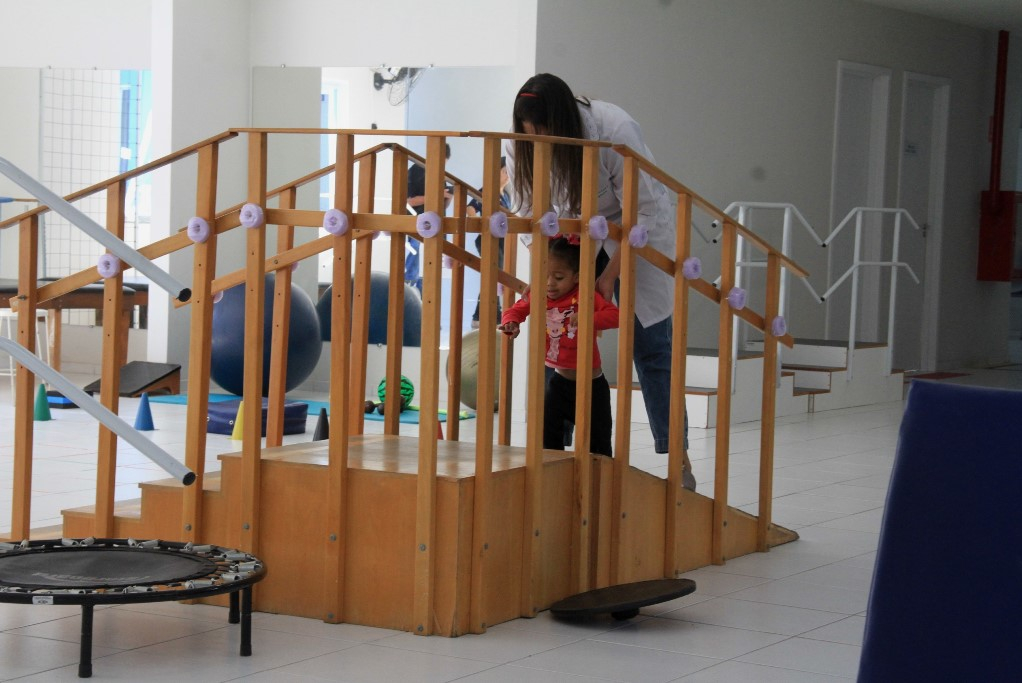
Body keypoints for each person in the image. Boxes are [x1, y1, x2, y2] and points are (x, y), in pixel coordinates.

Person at [505, 73, 695, 490]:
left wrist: (608, 276)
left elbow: (642, 212)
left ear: (563, 120)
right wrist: (547, 274)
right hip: (574, 232)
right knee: (558, 336)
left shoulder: (615, 129)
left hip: (636, 232)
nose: (538, 140)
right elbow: (527, 210)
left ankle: (677, 459)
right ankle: (554, 453)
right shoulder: (518, 142)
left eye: (544, 131)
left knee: (651, 346)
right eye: (530, 133)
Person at [498, 235, 619, 456]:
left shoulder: (585, 296)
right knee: (548, 438)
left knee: (599, 445)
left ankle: (598, 476)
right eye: (544, 276)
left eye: (559, 277)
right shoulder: (539, 294)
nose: (550, 283)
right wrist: (511, 323)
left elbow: (615, 316)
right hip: (558, 383)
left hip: (591, 386)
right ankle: (552, 472)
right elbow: (515, 310)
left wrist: (588, 318)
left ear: (576, 277)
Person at [468, 156, 511, 329]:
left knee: (495, 275)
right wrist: (482, 228)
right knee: (494, 274)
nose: (507, 176)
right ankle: (488, 315)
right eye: (504, 171)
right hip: (488, 239)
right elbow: (470, 208)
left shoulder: (506, 195)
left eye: (509, 172)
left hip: (502, 241)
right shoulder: (487, 191)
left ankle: (484, 315)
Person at [405, 143, 453, 286]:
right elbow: (408, 201)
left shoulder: (441, 175)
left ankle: (425, 283)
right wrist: (435, 195)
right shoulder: (416, 171)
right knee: (415, 255)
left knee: (432, 266)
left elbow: (442, 205)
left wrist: (448, 197)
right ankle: (410, 281)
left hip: (435, 224)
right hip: (417, 222)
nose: (441, 167)